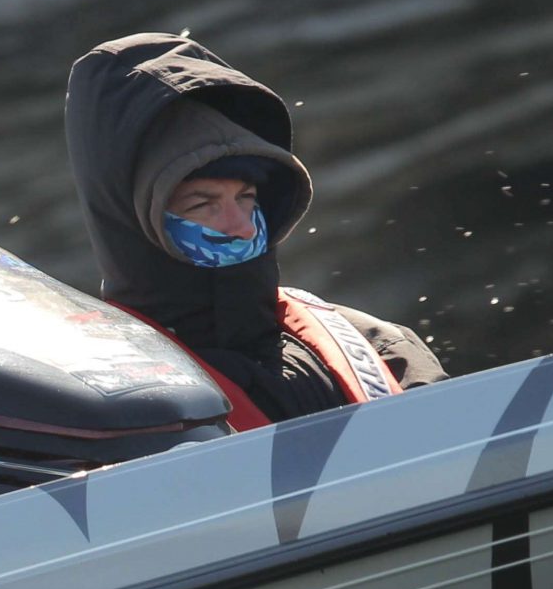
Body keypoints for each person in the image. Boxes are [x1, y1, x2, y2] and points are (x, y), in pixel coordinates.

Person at [64, 34, 445, 429]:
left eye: (245, 196)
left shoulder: (376, 346)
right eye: (202, 204)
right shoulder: (105, 409)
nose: (242, 226)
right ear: (134, 222)